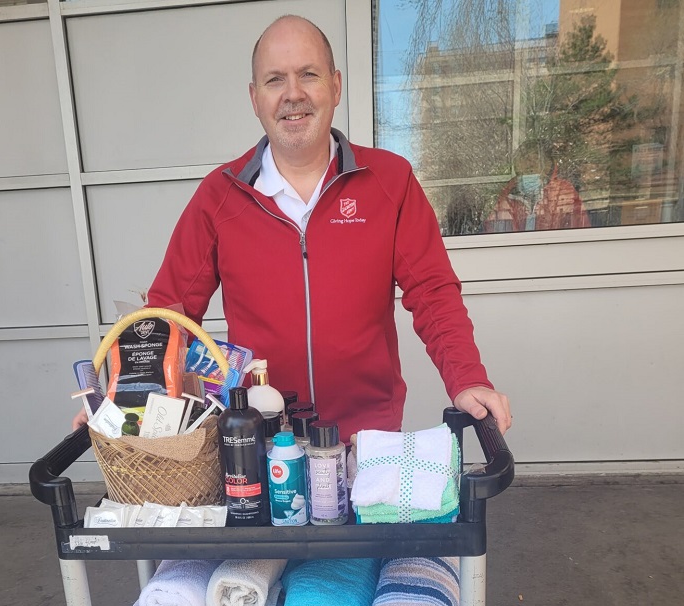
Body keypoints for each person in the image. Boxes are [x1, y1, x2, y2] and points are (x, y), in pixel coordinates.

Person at [74, 14, 511, 438]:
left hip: (368, 433)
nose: (293, 94)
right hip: (258, 437)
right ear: (255, 98)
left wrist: (467, 378)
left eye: (309, 74)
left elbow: (432, 293)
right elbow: (169, 314)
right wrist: (122, 402)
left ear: (336, 86)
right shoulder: (219, 195)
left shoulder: (389, 181)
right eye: (275, 79)